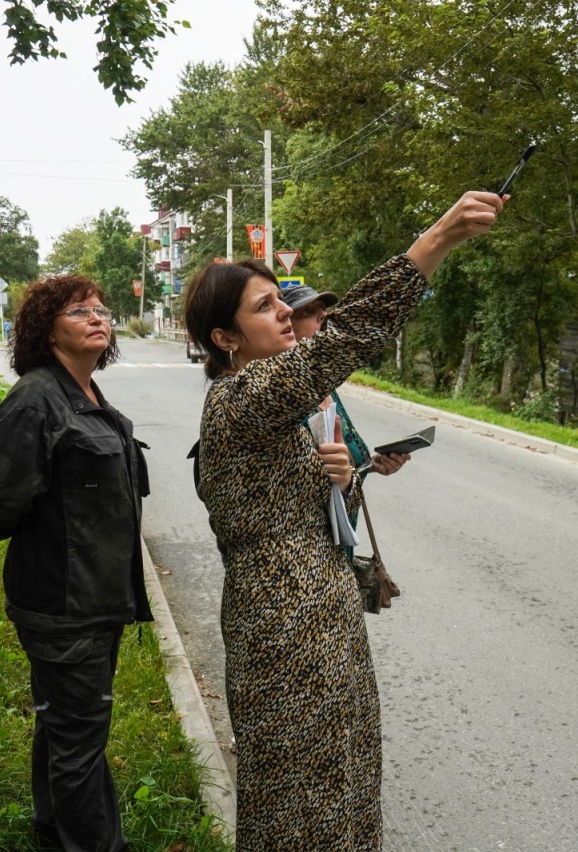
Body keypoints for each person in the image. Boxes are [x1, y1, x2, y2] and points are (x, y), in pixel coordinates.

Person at [184, 190, 502, 850]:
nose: (286, 316)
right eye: (265, 307)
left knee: (346, 784)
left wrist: (343, 480)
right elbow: (350, 334)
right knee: (300, 801)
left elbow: (316, 517)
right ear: (225, 337)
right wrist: (436, 238)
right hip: (285, 635)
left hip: (324, 622)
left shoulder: (281, 407)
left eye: (280, 301)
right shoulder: (242, 396)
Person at [0, 275, 151, 852]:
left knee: (63, 726)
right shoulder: (35, 400)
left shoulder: (89, 396)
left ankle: (53, 832)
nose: (98, 317)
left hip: (95, 601)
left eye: (101, 309)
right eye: (79, 311)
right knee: (79, 743)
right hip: (64, 606)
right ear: (48, 330)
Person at [281, 282, 411, 532]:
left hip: (341, 552)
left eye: (322, 310)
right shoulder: (288, 400)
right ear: (286, 328)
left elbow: (339, 468)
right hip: (308, 557)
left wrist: (372, 463)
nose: (323, 316)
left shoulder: (329, 390)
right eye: (307, 312)